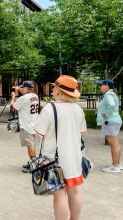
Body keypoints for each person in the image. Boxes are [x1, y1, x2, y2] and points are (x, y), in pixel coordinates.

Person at [34, 75, 86, 220]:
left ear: (59, 90)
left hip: (55, 160)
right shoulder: (78, 109)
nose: (52, 89)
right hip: (74, 158)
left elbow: (39, 132)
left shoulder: (50, 108)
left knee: (59, 195)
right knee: (74, 192)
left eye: (54, 87)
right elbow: (81, 132)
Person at [10, 81, 39, 173]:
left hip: (26, 126)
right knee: (31, 144)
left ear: (26, 88)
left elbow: (13, 107)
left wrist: (13, 97)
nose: (21, 89)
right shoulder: (35, 96)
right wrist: (19, 89)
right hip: (34, 124)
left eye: (23, 88)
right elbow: (26, 94)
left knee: (30, 145)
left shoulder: (23, 98)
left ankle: (33, 165)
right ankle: (32, 162)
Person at [96, 79, 122, 173]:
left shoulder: (108, 95)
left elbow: (111, 105)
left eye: (101, 85)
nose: (99, 87)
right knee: (114, 144)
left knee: (113, 144)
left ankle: (115, 166)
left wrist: (107, 114)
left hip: (110, 121)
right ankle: (116, 164)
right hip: (113, 121)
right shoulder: (110, 94)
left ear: (107, 86)